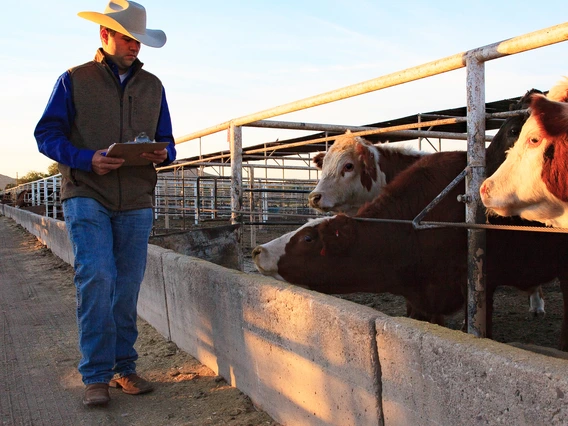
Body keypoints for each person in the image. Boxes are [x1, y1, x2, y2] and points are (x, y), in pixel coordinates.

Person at [34, 0, 176, 407]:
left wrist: (164, 154)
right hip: (86, 191)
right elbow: (47, 134)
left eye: (139, 40)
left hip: (135, 197)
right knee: (97, 276)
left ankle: (122, 368)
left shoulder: (154, 87)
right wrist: (86, 158)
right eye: (128, 39)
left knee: (127, 284)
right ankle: (95, 375)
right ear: (105, 35)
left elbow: (168, 139)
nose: (135, 47)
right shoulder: (73, 80)